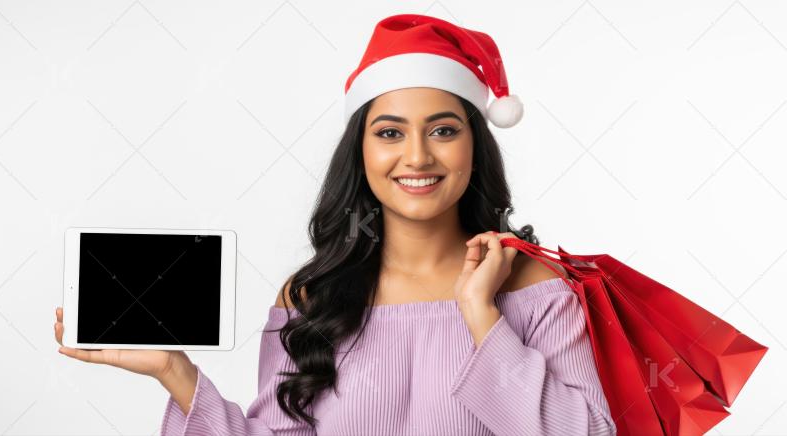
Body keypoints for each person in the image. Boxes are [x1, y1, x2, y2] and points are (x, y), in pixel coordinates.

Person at [54, 13, 617, 436]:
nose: (417, 157)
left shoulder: (536, 293)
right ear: (361, 152)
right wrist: (174, 372)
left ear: (475, 144)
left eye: (443, 130)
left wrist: (481, 314)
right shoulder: (312, 299)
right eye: (390, 132)